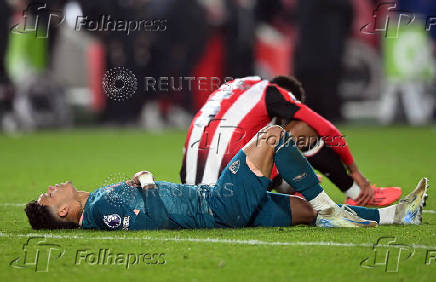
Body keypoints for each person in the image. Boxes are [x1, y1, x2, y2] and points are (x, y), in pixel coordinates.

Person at [24, 126, 427, 230]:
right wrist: (146, 180)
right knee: (271, 136)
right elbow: (157, 217)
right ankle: (330, 206)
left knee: (305, 212)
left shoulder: (96, 205)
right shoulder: (98, 207)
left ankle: (398, 217)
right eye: (46, 197)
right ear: (62, 209)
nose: (49, 188)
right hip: (215, 203)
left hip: (217, 208)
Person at [180, 76, 401, 206]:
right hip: (227, 198)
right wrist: (354, 169)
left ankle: (296, 188)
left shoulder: (229, 91)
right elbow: (326, 128)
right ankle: (355, 192)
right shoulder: (272, 92)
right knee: (305, 129)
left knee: (301, 197)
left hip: (191, 195)